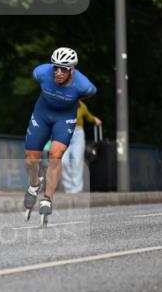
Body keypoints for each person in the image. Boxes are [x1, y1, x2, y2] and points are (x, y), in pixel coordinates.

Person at [23, 48, 97, 222]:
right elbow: (42, 72)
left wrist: (71, 99)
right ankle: (34, 184)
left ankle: (47, 198)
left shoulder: (84, 86)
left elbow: (88, 94)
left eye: (63, 69)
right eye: (55, 67)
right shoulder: (41, 73)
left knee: (55, 155)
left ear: (72, 69)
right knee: (30, 159)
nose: (58, 72)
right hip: (42, 114)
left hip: (64, 118)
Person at [61, 99, 102, 193]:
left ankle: (77, 188)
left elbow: (88, 116)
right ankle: (68, 186)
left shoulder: (81, 106)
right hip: (64, 133)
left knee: (77, 160)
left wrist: (94, 119)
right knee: (63, 161)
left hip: (78, 134)